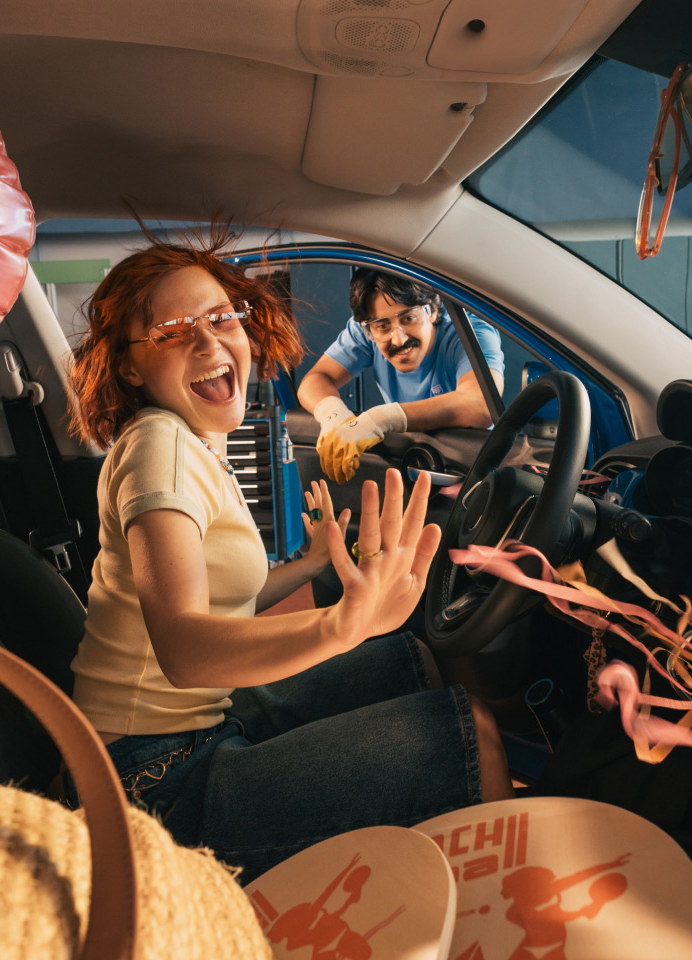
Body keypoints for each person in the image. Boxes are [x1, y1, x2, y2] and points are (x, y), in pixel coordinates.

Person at [67, 231, 512, 882]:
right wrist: (341, 624)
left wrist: (306, 565)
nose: (209, 341)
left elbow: (210, 600)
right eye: (171, 330)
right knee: (472, 733)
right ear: (130, 366)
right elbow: (185, 648)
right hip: (151, 786)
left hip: (186, 732)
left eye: (221, 318)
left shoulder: (189, 440)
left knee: (412, 658)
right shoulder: (159, 445)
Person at [297, 269, 506, 483]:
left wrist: (381, 419)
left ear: (433, 310)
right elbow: (315, 380)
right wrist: (332, 414)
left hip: (470, 469)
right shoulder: (368, 328)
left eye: (408, 318)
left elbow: (481, 404)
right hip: (411, 464)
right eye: (382, 326)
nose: (398, 339)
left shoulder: (470, 330)